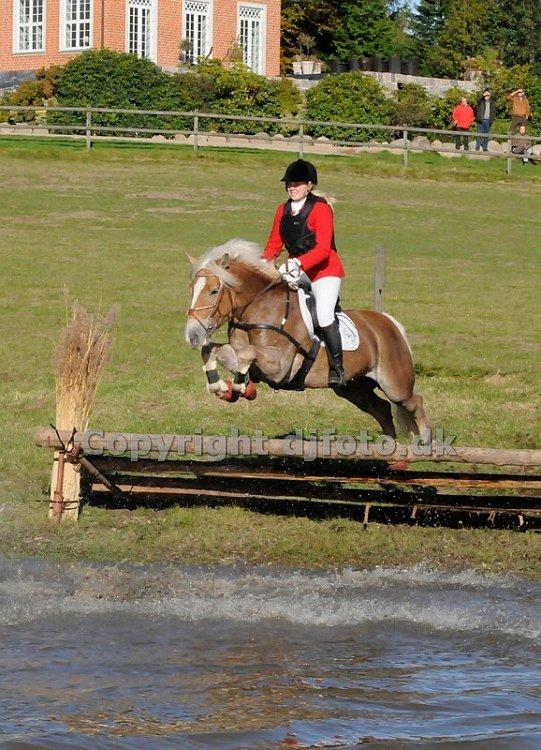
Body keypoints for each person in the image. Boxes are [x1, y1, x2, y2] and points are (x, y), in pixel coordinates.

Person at [262, 158, 346, 386]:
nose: (292, 187)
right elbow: (273, 245)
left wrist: (297, 263)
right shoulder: (282, 210)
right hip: (296, 269)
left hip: (324, 271)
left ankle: (338, 368)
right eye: (289, 184)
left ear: (309, 185)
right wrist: (260, 266)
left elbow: (323, 250)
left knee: (325, 314)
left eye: (297, 184)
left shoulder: (321, 209)